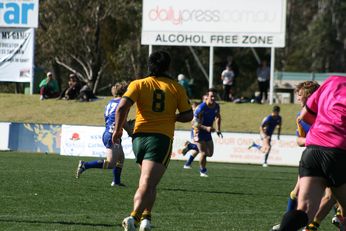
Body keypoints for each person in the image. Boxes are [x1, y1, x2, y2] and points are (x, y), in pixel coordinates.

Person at [111, 51, 193, 231]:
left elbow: (121, 107)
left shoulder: (138, 84)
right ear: (168, 67)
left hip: (139, 139)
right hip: (160, 139)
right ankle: (133, 217)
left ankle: (146, 219)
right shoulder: (176, 87)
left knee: (148, 182)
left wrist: (118, 130)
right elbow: (189, 115)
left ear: (150, 66)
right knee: (148, 182)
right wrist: (173, 117)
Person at [278, 75, 346, 231]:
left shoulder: (331, 81)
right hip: (338, 152)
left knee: (304, 210)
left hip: (313, 149)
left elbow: (304, 116)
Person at [271, 81, 321, 231]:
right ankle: (287, 224)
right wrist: (311, 140)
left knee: (332, 197)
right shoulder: (300, 116)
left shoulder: (325, 112)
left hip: (331, 156)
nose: (298, 99)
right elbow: (299, 140)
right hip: (312, 157)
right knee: (296, 192)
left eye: (300, 95)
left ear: (310, 96)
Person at [75, 82, 131, 186]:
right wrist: (131, 132)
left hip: (109, 132)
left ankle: (116, 182)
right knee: (110, 163)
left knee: (121, 157)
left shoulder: (110, 102)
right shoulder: (124, 103)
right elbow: (123, 121)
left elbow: (107, 118)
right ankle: (85, 165)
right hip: (112, 134)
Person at [183, 88, 223, 177]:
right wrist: (206, 128)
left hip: (207, 132)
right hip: (198, 131)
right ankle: (202, 171)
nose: (213, 98)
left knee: (210, 153)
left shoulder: (216, 106)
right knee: (203, 153)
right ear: (207, 97)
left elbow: (218, 117)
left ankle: (191, 146)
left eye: (214, 97)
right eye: (211, 96)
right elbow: (193, 123)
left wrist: (218, 129)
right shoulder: (201, 108)